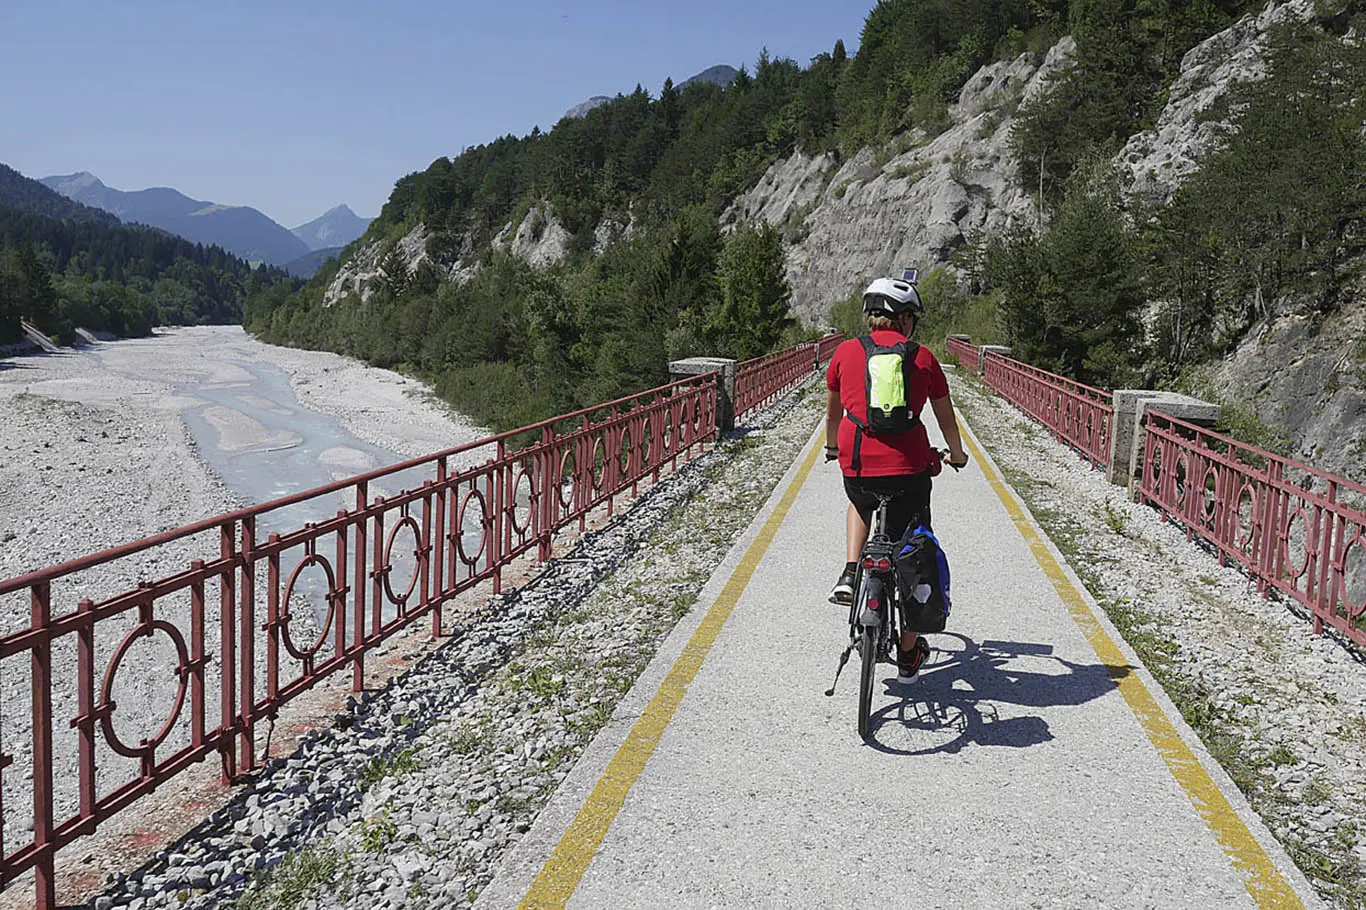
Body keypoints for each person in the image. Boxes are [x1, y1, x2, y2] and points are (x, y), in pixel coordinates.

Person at [824, 274, 968, 677]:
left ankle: (851, 571)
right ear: (902, 319)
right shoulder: (922, 358)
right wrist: (957, 456)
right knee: (914, 549)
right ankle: (908, 655)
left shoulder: (845, 353)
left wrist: (833, 448)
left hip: (857, 464)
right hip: (910, 469)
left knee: (859, 502)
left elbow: (833, 412)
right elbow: (947, 419)